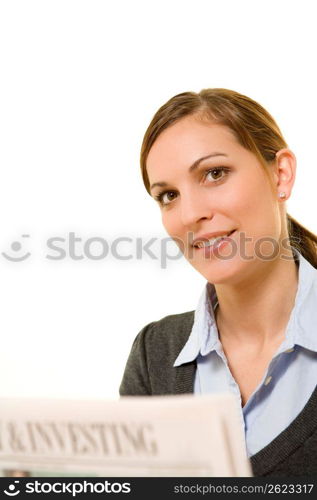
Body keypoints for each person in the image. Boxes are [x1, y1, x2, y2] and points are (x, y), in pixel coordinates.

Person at [119, 88, 317, 476]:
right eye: (169, 195)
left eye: (215, 173)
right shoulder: (155, 353)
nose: (190, 213)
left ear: (281, 174)